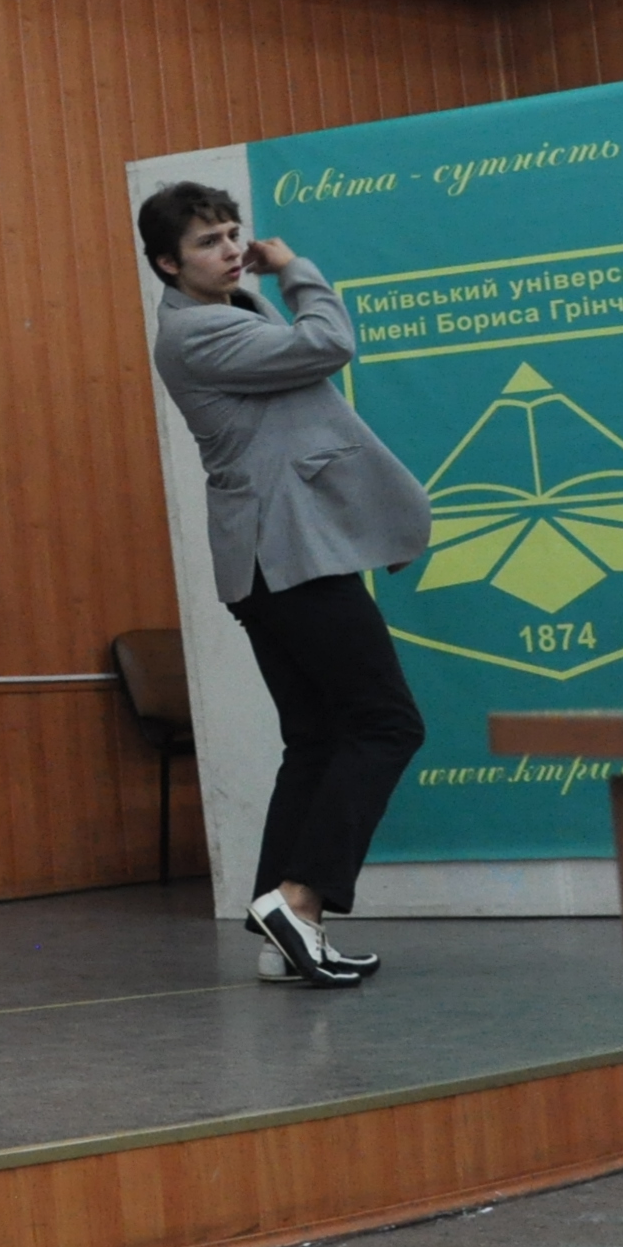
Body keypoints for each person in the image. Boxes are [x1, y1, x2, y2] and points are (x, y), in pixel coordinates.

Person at [142, 182, 430, 987]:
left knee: (317, 739)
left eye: (234, 233)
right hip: (288, 557)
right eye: (208, 242)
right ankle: (298, 899)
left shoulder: (225, 311)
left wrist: (257, 279)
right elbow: (328, 343)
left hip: (272, 559)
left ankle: (287, 934)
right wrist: (296, 269)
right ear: (167, 264)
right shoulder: (201, 332)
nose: (232, 249)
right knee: (387, 724)